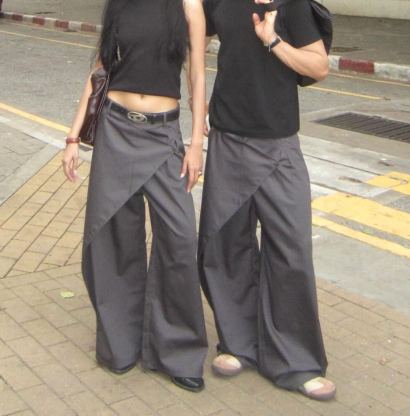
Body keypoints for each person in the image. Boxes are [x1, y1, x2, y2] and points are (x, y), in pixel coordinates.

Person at [62, 0, 208, 393]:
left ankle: (178, 351)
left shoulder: (189, 5)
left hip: (164, 135)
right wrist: (74, 137)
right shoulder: (120, 4)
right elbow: (99, 70)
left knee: (180, 238)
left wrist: (196, 144)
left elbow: (197, 73)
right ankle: (120, 344)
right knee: (113, 238)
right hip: (116, 130)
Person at [198, 0, 336, 400]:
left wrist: (273, 40)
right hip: (226, 138)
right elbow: (192, 37)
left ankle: (297, 361)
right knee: (225, 245)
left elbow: (319, 66)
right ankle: (237, 342)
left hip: (278, 146)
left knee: (291, 250)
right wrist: (196, 100)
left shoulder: (292, 5)